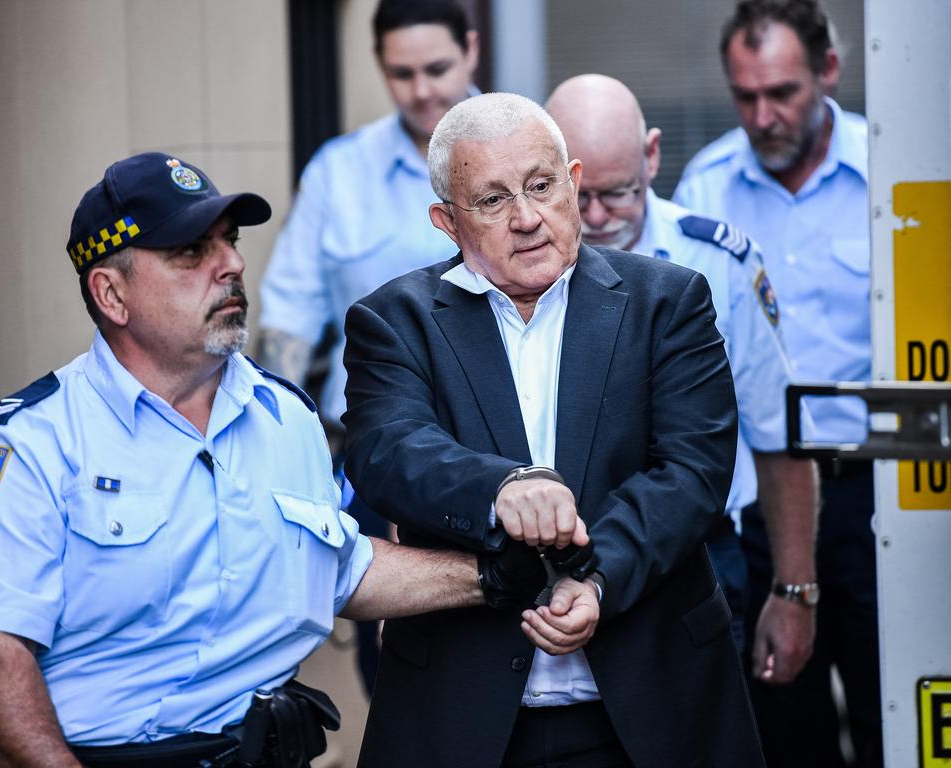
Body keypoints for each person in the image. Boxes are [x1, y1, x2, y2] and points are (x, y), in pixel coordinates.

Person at [0, 152, 550, 768]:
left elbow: (335, 570)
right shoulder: (32, 443)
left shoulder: (285, 419)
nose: (232, 264)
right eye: (190, 253)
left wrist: (497, 575)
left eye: (228, 241)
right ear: (111, 294)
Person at [342, 92, 763, 768]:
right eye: (493, 200)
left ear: (571, 183)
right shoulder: (395, 321)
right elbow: (385, 449)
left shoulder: (668, 301)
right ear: (446, 222)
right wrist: (500, 489)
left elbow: (693, 473)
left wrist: (597, 581)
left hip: (655, 705)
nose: (527, 218)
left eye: (541, 186)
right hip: (464, 715)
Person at [545, 74, 818, 684]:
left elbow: (778, 438)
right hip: (555, 554)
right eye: (575, 194)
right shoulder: (523, 264)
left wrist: (796, 589)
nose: (594, 217)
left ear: (652, 156)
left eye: (617, 194)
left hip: (702, 552)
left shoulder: (719, 262)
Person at [674, 1, 877, 766]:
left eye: (783, 92)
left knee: (894, 702)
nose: (763, 115)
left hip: (872, 493)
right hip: (758, 503)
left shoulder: (893, 175)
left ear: (829, 70)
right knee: (782, 727)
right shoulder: (706, 187)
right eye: (745, 95)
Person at [257, 0, 479, 694]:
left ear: (471, 51)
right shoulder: (339, 173)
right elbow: (288, 317)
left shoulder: (520, 147)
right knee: (391, 664)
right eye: (401, 73)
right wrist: (282, 458)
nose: (423, 91)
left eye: (438, 68)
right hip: (375, 457)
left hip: (498, 443)